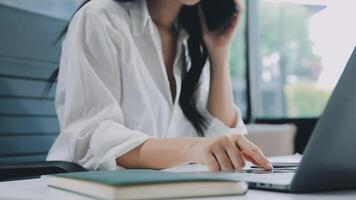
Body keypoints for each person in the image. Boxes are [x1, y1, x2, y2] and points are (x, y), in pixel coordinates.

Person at [47, 0, 273, 171]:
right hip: (86, 190)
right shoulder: (100, 18)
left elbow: (221, 140)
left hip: (159, 191)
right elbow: (93, 139)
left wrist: (219, 53)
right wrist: (194, 149)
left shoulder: (191, 41)